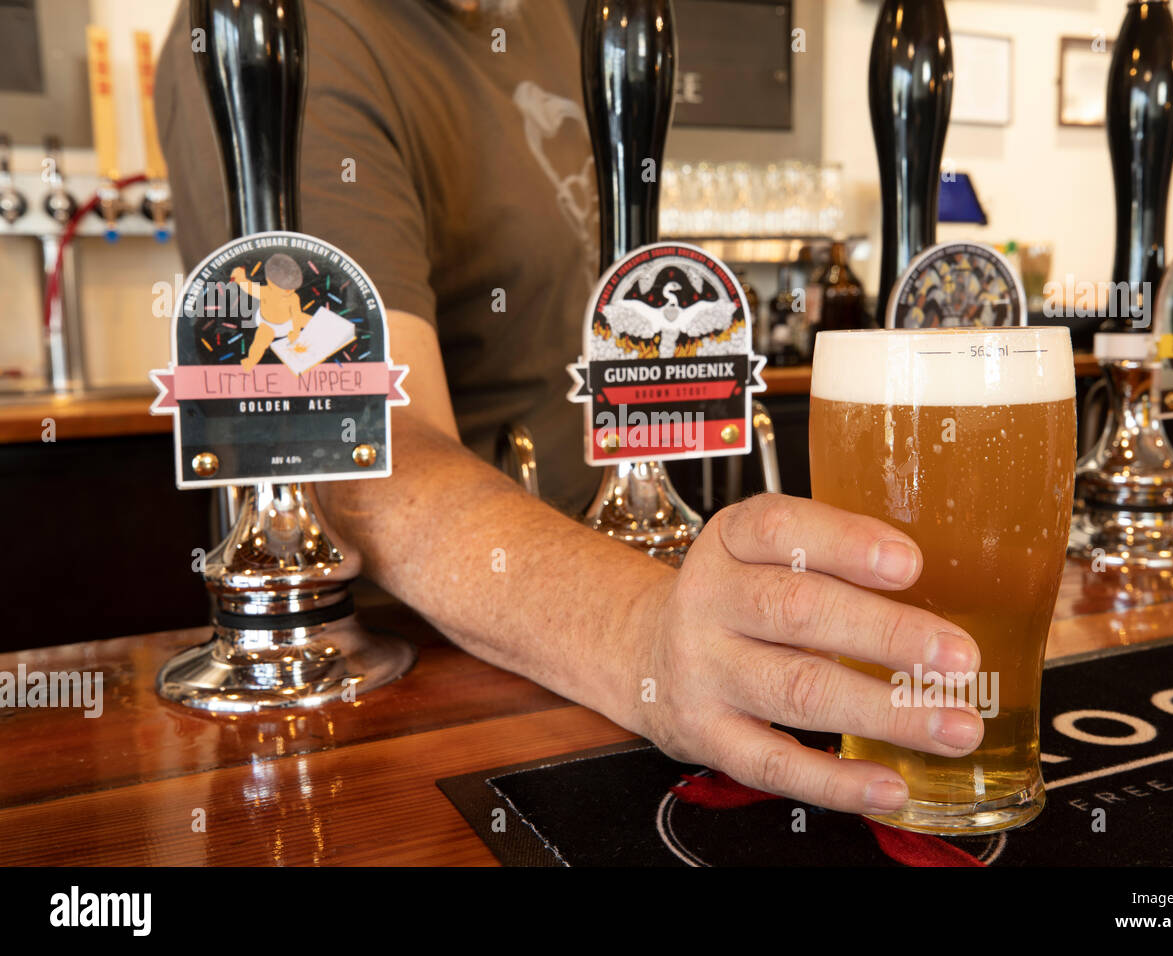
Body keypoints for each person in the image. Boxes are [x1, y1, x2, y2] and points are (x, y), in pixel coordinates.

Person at [156, 0, 984, 816]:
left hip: (612, 660)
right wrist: (639, 630)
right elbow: (352, 443)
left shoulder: (573, 17)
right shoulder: (306, 29)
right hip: (435, 699)